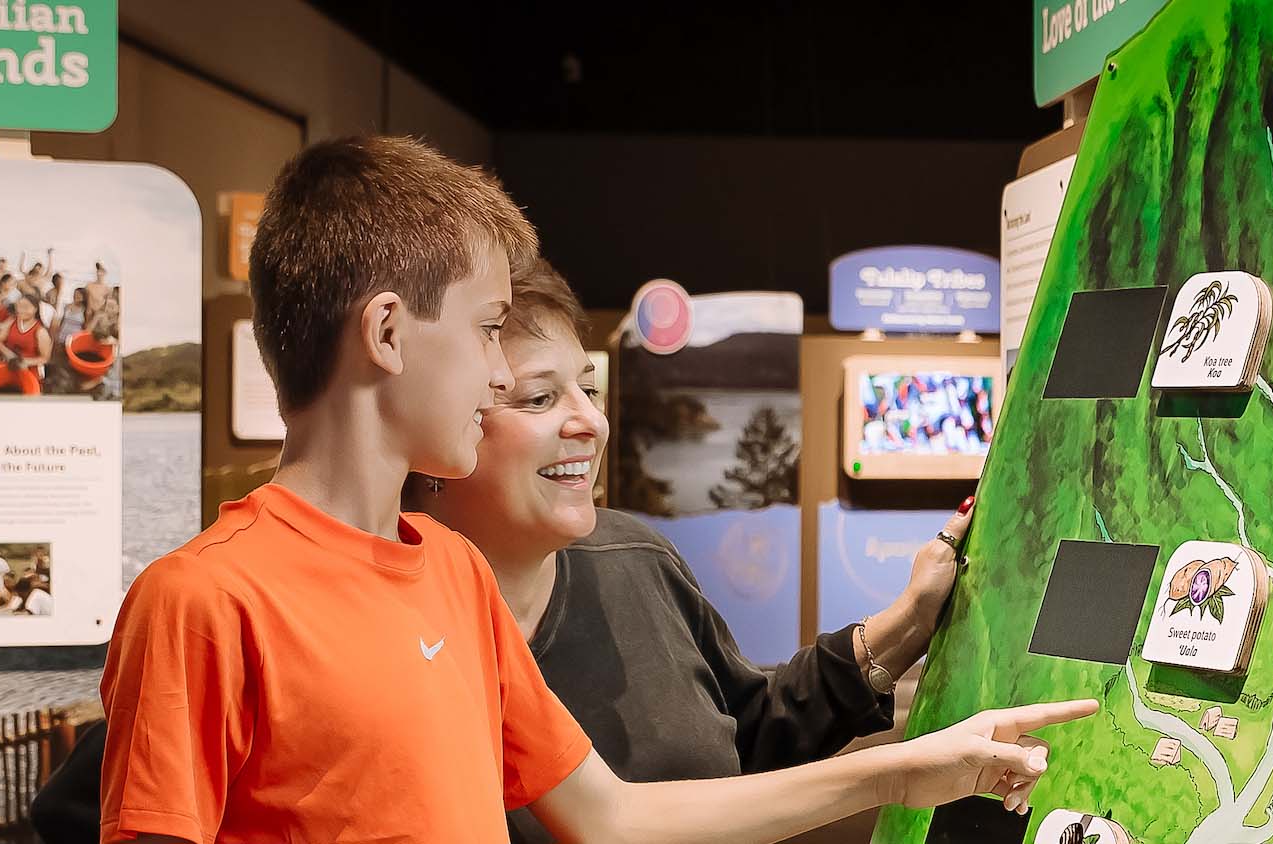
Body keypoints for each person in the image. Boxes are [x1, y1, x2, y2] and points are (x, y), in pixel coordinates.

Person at [68, 136, 1093, 844]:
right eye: (482, 330)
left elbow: (617, 814)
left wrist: (915, 767)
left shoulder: (454, 578)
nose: (488, 369)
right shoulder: (204, 602)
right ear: (386, 335)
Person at [404, 258, 979, 843]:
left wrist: (911, 618)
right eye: (537, 400)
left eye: (588, 387)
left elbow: (750, 736)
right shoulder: (398, 631)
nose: (590, 421)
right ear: (447, 423)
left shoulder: (634, 555)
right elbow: (612, 825)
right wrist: (894, 776)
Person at [0, 296, 52, 375]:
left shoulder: (41, 332)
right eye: (19, 307)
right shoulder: (11, 321)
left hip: (29, 367)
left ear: (35, 309)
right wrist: (10, 355)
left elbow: (45, 358)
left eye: (26, 307)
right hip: (9, 362)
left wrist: (24, 362)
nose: (21, 310)